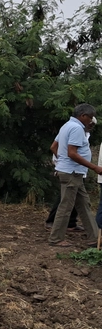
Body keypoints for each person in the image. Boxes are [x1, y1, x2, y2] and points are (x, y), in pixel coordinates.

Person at [49, 104, 101, 247]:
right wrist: (94, 167)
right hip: (72, 173)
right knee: (65, 207)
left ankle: (95, 238)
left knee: (84, 204)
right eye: (90, 118)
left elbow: (54, 147)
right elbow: (72, 153)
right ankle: (56, 238)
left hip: (72, 172)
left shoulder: (67, 125)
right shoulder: (77, 128)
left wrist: (61, 163)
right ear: (83, 115)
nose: (91, 121)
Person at [44, 116, 96, 231]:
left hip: (78, 170)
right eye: (90, 123)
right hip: (72, 170)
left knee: (79, 200)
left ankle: (72, 223)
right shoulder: (75, 129)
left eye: (92, 125)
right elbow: (62, 150)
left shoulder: (80, 131)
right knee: (66, 201)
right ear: (84, 119)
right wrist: (64, 162)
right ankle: (54, 228)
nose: (90, 126)